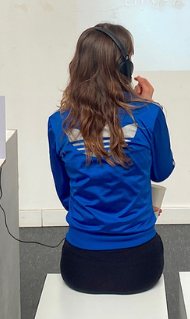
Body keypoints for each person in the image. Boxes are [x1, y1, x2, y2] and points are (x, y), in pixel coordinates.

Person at [48, 23, 175, 294]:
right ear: (125, 68)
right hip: (140, 266)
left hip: (80, 267)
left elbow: (65, 193)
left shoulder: (58, 123)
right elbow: (161, 172)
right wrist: (145, 106)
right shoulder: (150, 115)